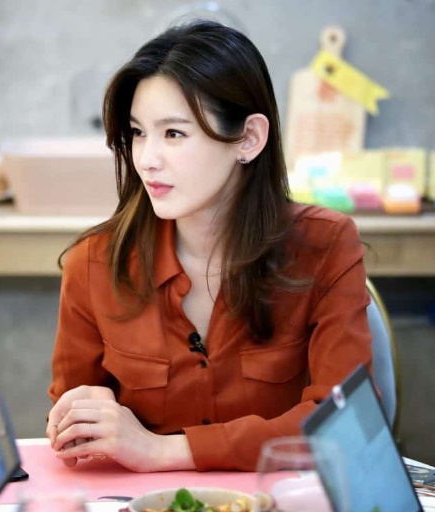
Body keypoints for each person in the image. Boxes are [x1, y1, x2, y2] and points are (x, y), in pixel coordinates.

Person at [46, 19, 372, 473]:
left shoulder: (326, 245)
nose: (146, 159)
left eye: (174, 134)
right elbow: (72, 436)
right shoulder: (94, 262)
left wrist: (163, 451)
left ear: (248, 139)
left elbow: (346, 425)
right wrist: (77, 421)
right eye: (138, 132)